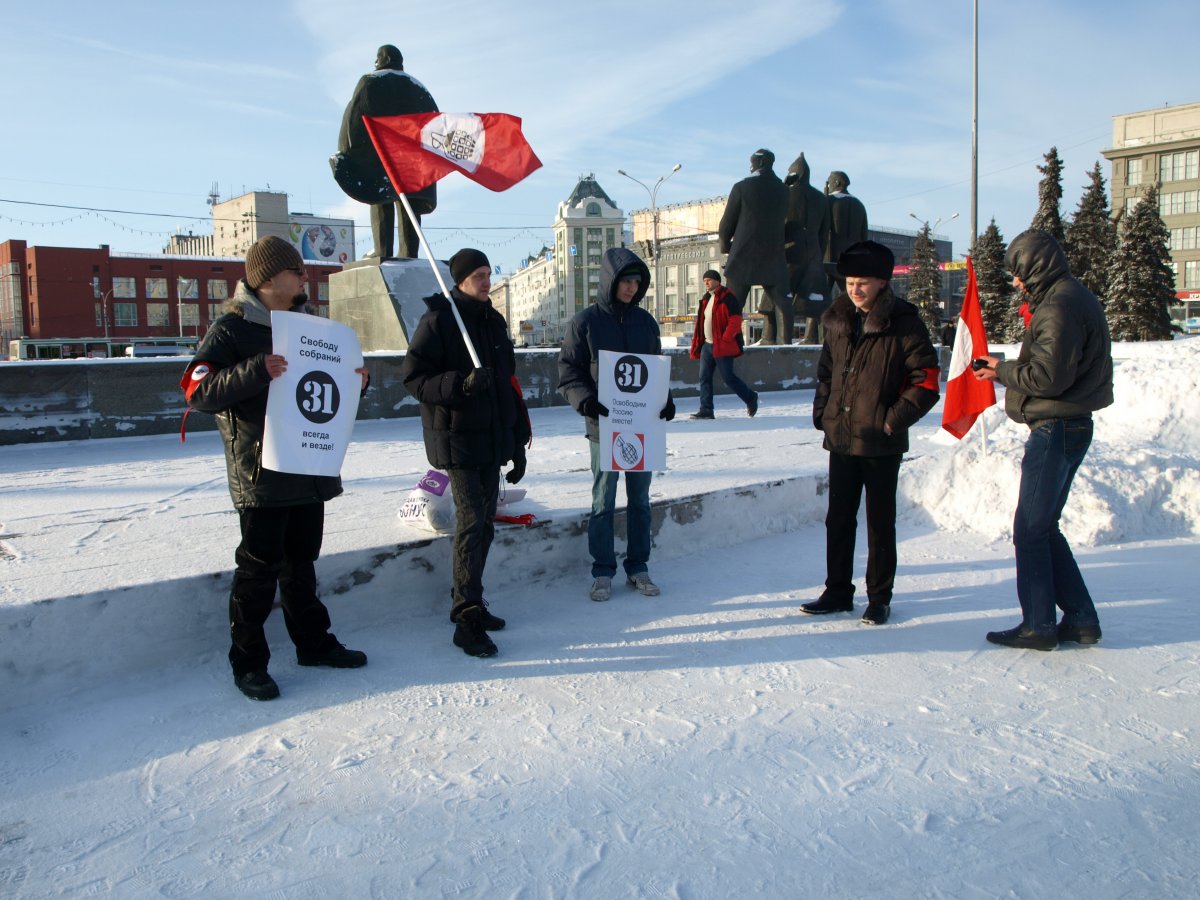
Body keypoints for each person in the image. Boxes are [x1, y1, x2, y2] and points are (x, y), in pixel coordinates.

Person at [181, 236, 369, 701]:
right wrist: (257, 369)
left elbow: (321, 390)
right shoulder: (231, 330)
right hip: (262, 474)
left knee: (301, 564)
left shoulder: (308, 327)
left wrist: (356, 381)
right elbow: (196, 391)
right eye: (296, 271)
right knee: (258, 571)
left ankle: (313, 643)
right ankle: (248, 663)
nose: (305, 277)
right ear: (268, 279)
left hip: (308, 467)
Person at [972, 229, 1113, 650]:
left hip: (1056, 428)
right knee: (1043, 527)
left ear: (1037, 266)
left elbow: (1048, 377)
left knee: (1030, 530)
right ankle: (1082, 620)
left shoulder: (1059, 306)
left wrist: (1000, 370)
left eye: (1019, 273)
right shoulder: (1070, 297)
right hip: (1068, 425)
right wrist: (1006, 367)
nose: (1016, 282)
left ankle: (1039, 625)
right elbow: (1055, 366)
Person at [400, 249, 530, 657]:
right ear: (458, 279)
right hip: (458, 439)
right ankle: (466, 616)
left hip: (491, 440)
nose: (486, 280)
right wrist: (461, 384)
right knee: (473, 523)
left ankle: (472, 599)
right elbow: (415, 379)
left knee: (485, 525)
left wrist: (516, 440)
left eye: (489, 273)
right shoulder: (439, 319)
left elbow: (507, 384)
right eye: (478, 274)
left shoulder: (493, 319)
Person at [803, 240, 940, 625]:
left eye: (863, 282)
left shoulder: (904, 322)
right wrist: (823, 411)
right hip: (842, 437)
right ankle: (837, 591)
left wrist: (891, 420)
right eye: (849, 282)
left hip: (880, 442)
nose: (855, 289)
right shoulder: (837, 320)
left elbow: (926, 381)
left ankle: (879, 597)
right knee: (838, 519)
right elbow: (826, 372)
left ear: (882, 282)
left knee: (880, 523)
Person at [558, 247, 675, 601]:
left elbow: (654, 371)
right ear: (611, 282)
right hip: (603, 427)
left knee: (640, 500)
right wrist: (586, 401)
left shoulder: (646, 323)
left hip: (642, 427)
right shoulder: (585, 323)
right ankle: (602, 570)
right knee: (603, 501)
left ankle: (638, 566)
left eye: (637, 282)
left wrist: (665, 400)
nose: (632, 288)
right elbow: (568, 373)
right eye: (626, 280)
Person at [333, 44, 438, 260]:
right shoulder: (418, 87)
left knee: (380, 198)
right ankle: (409, 253)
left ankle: (383, 250)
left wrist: (347, 149)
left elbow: (354, 116)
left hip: (382, 156)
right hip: (413, 161)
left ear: (379, 60)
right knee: (410, 204)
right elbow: (436, 122)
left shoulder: (370, 82)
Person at [719, 149, 791, 344]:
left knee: (733, 305)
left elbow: (727, 223)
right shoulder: (784, 190)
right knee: (783, 304)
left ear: (760, 162)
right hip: (774, 254)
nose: (750, 166)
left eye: (752, 162)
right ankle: (786, 345)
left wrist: (726, 247)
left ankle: (730, 344)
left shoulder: (742, 187)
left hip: (744, 254)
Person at [688, 269, 758, 419]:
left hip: (722, 346)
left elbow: (735, 320)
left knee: (728, 377)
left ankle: (750, 397)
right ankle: (706, 410)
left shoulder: (728, 297)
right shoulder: (706, 298)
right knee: (704, 377)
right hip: (707, 345)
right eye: (704, 280)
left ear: (717, 281)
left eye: (709, 279)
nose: (706, 282)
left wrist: (726, 338)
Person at [783, 153, 831, 344]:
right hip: (814, 251)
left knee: (779, 297)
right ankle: (814, 337)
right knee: (815, 298)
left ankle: (777, 338)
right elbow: (824, 231)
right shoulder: (821, 198)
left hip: (790, 251)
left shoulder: (786, 193)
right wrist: (819, 252)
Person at [824, 171, 869, 299]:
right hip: (852, 261)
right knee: (852, 299)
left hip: (828, 258)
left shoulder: (828, 201)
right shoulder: (859, 205)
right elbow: (864, 236)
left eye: (829, 181)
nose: (828, 185)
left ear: (837, 182)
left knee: (820, 300)